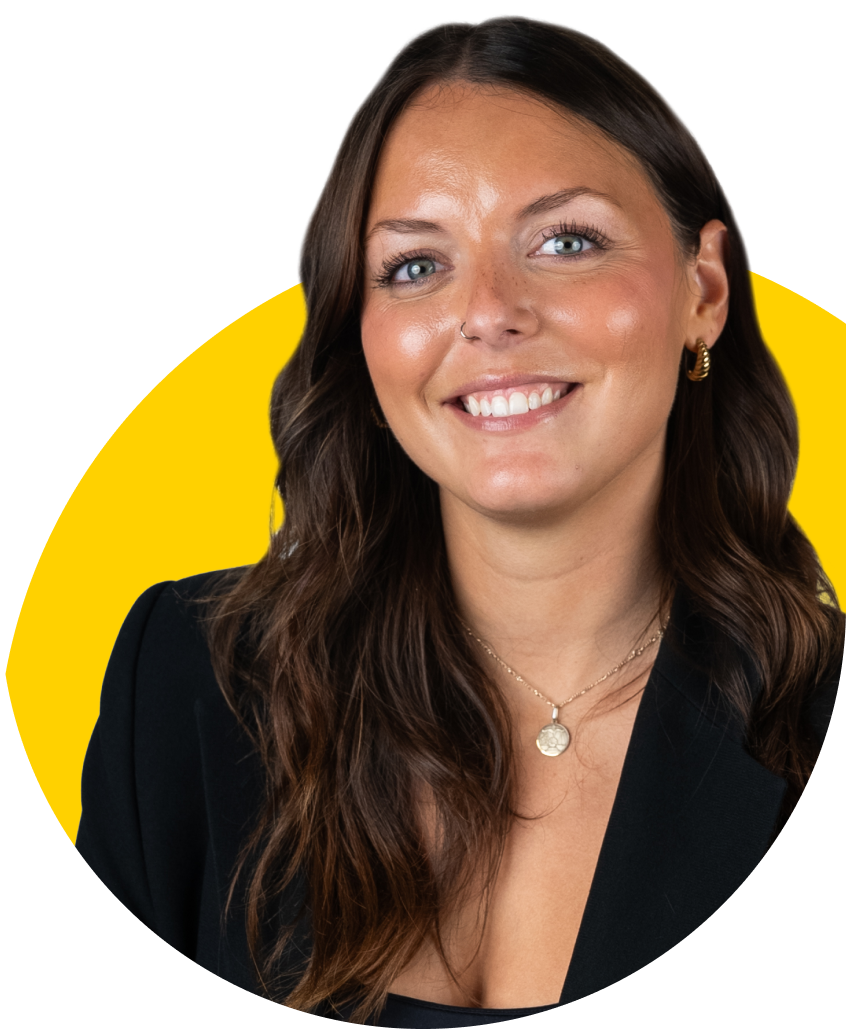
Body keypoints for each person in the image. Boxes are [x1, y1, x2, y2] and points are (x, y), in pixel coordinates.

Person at [75, 15, 843, 1026]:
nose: (488, 311)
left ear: (704, 290)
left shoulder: (815, 718)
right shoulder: (185, 685)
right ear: (359, 330)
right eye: (414, 266)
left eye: (566, 241)